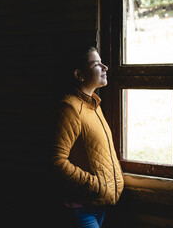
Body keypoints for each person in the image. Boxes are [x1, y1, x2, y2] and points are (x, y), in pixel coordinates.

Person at [49, 46, 124, 228]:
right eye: (97, 64)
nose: (105, 67)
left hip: (98, 205)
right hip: (79, 209)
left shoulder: (93, 105)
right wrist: (96, 185)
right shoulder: (69, 108)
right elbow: (56, 161)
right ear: (79, 75)